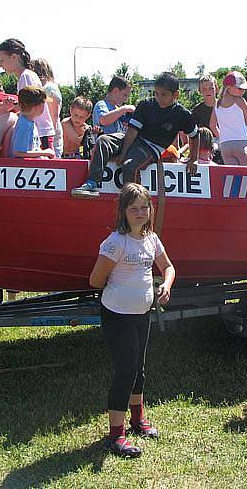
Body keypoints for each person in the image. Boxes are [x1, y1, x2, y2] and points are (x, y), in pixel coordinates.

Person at [89, 183, 175, 458]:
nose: (140, 213)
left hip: (142, 314)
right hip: (117, 316)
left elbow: (168, 267)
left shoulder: (151, 239)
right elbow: (95, 280)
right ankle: (116, 434)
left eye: (144, 207)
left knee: (139, 368)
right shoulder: (116, 242)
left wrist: (167, 285)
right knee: (125, 371)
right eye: (133, 208)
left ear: (151, 210)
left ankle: (138, 421)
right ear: (123, 212)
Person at [72, 72, 199, 197]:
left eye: (164, 94)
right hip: (133, 138)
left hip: (152, 147)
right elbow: (132, 131)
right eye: (156, 93)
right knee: (103, 140)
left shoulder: (183, 114)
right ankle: (91, 183)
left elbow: (195, 135)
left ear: (175, 95)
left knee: (129, 166)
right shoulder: (146, 104)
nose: (159, 98)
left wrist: (193, 159)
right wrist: (123, 152)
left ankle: (133, 202)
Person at [0, 38, 55, 150]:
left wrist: (8, 108)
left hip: (39, 132)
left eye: (2, 60)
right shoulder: (26, 76)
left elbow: (29, 104)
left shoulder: (26, 77)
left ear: (14, 57)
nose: (0, 65)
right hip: (38, 131)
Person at [209, 71, 247, 166]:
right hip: (243, 142)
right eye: (240, 88)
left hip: (225, 145)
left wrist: (223, 137)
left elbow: (212, 125)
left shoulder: (217, 104)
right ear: (229, 88)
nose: (243, 91)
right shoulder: (240, 101)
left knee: (233, 177)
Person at [10, 86, 57, 159]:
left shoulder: (29, 122)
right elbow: (18, 152)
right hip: (25, 168)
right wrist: (45, 152)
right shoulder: (25, 125)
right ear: (37, 107)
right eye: (44, 104)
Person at [31, 58, 64, 157]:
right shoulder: (44, 88)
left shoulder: (50, 89)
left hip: (50, 135)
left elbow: (53, 115)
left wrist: (49, 136)